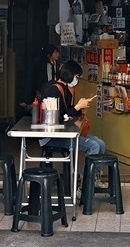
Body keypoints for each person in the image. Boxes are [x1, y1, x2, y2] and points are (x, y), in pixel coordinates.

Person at [38, 59, 106, 191]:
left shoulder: (65, 89)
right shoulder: (53, 90)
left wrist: (80, 107)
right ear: (70, 75)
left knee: (100, 143)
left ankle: (94, 178)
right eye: (77, 76)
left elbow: (68, 113)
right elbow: (59, 118)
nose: (77, 80)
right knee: (93, 145)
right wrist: (77, 107)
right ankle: (85, 185)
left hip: (64, 133)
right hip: (52, 136)